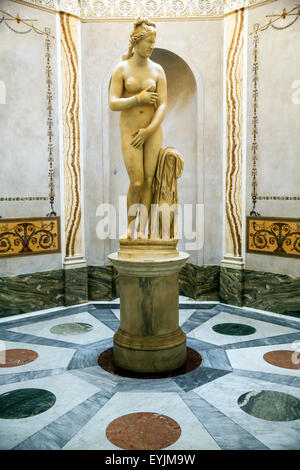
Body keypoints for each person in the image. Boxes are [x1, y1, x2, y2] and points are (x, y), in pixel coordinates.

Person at [109, 18, 167, 239]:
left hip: (152, 131)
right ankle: (130, 228)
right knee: (137, 181)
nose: (152, 46)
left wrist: (150, 130)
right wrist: (138, 99)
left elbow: (163, 104)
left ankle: (143, 230)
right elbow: (113, 103)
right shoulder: (121, 69)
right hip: (131, 133)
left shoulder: (158, 70)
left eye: (154, 41)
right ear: (137, 42)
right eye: (149, 41)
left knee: (150, 181)